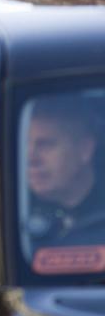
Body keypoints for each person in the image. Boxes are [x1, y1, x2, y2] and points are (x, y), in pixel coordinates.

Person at [25, 97, 104, 246]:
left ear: (85, 149)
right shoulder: (14, 211)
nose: (31, 159)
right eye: (25, 144)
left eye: (45, 145)